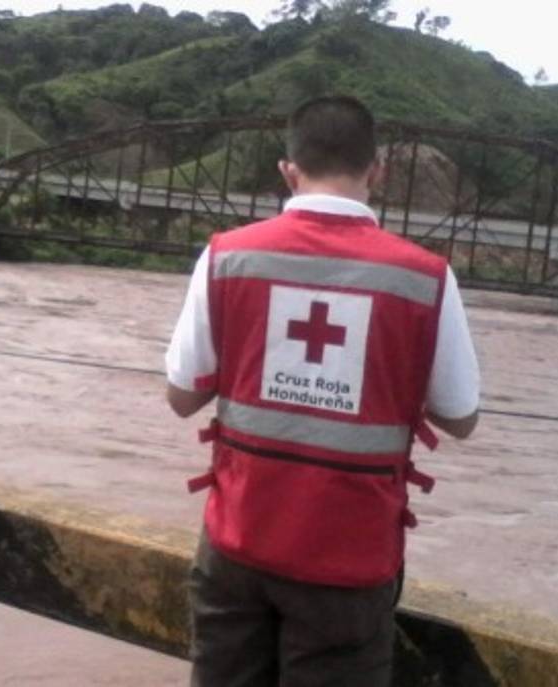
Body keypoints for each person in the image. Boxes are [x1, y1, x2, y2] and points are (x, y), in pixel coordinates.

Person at [164, 95, 480, 686]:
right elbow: (461, 416)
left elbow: (182, 396)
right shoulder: (425, 278)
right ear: (377, 171)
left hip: (238, 544)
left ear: (288, 170)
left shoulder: (227, 257)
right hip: (350, 563)